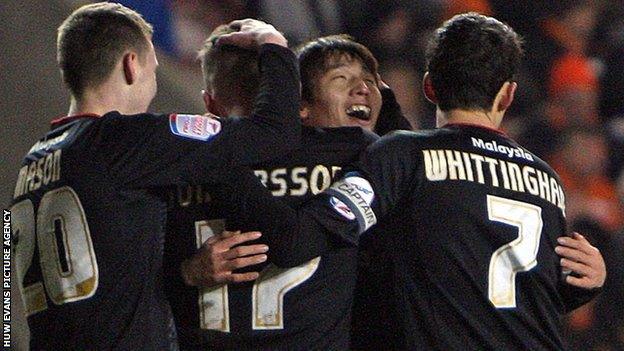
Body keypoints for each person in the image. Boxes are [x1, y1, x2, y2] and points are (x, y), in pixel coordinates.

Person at [8, 3, 301, 349]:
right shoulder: (125, 139)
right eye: (153, 69)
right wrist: (273, 43)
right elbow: (272, 134)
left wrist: (187, 273)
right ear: (132, 65)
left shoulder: (34, 162)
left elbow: (109, 278)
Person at [329, 13, 605, 350]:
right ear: (507, 96)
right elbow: (531, 296)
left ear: (429, 86)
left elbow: (329, 232)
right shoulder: (546, 179)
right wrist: (589, 283)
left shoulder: (401, 155)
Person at [164, 33, 407, 350]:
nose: (364, 88)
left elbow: (128, 280)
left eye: (370, 81)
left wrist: (187, 271)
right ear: (297, 103)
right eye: (341, 79)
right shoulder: (358, 152)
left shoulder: (176, 163)